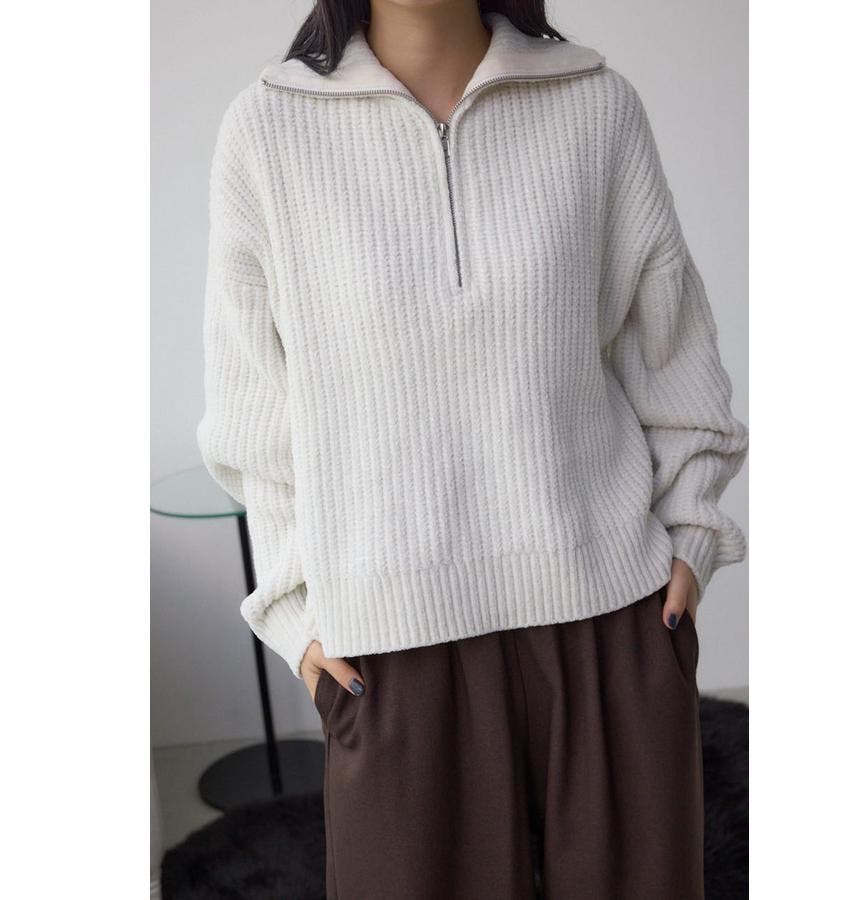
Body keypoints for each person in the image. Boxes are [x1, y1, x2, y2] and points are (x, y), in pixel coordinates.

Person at [197, 1, 748, 897]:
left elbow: (673, 351)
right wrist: (297, 619)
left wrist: (691, 532)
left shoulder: (596, 105)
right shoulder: (266, 131)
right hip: (389, 644)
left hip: (610, 619)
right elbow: (255, 414)